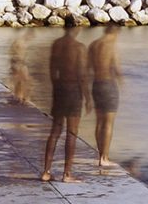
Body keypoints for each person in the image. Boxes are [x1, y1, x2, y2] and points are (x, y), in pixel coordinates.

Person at [42, 16, 87, 183]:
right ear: (76, 28)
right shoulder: (79, 47)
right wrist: (88, 97)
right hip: (73, 91)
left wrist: (56, 89)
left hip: (59, 89)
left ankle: (46, 171)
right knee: (72, 132)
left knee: (55, 131)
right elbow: (82, 74)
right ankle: (67, 174)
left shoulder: (57, 45)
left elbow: (52, 70)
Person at [88, 24, 123, 169]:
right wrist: (123, 83)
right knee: (108, 123)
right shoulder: (112, 45)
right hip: (109, 84)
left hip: (96, 84)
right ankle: (105, 157)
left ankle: (99, 155)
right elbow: (117, 68)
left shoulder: (93, 45)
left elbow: (88, 68)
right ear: (115, 33)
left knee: (99, 121)